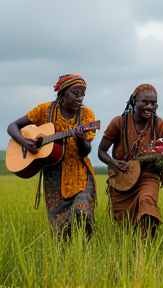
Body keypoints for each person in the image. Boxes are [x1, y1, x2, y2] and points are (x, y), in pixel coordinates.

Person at [7, 74, 98, 240]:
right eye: (75, 93)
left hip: (79, 172)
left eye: (83, 94)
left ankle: (85, 249)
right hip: (53, 174)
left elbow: (85, 151)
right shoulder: (44, 110)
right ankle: (65, 255)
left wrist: (81, 138)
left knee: (83, 209)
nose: (80, 98)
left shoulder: (86, 116)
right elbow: (12, 126)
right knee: (59, 226)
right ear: (63, 93)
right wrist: (26, 142)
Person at [98, 84, 163, 239]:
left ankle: (147, 246)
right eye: (145, 102)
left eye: (153, 103)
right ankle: (130, 254)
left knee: (147, 202)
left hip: (148, 175)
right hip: (123, 176)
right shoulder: (118, 122)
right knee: (124, 225)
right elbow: (101, 151)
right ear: (134, 101)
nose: (150, 106)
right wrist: (113, 163)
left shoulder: (159, 125)